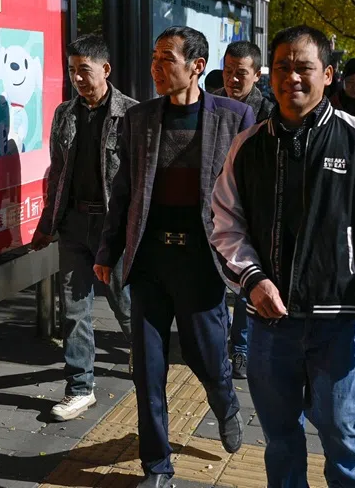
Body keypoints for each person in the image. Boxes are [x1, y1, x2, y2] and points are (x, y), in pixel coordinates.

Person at [210, 25, 355, 488]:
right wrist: (252, 279)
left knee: (341, 436)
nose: (292, 77)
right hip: (269, 324)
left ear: (327, 75)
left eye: (303, 67)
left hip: (337, 322)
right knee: (280, 439)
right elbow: (225, 224)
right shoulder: (249, 147)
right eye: (282, 67)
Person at [94, 26, 254, 487]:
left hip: (202, 262)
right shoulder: (139, 119)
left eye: (167, 59)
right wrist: (109, 250)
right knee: (147, 369)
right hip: (149, 261)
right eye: (154, 58)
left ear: (196, 66)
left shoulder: (233, 117)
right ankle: (158, 466)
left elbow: (246, 196)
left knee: (208, 358)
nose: (156, 68)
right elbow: (122, 191)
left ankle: (225, 402)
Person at [32, 34, 137, 422]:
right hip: (74, 224)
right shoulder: (64, 114)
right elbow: (57, 174)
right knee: (74, 310)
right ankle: (80, 388)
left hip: (114, 228)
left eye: (84, 70)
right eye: (72, 70)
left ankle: (143, 358)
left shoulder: (132, 116)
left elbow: (140, 181)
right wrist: (47, 224)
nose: (77, 78)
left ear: (105, 70)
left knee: (124, 304)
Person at [209, 40, 274, 379]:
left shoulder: (268, 111)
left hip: (249, 207)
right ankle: (220, 340)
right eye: (228, 72)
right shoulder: (212, 103)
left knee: (245, 277)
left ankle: (242, 348)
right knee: (214, 278)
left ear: (258, 75)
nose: (233, 80)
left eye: (241, 74)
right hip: (212, 204)